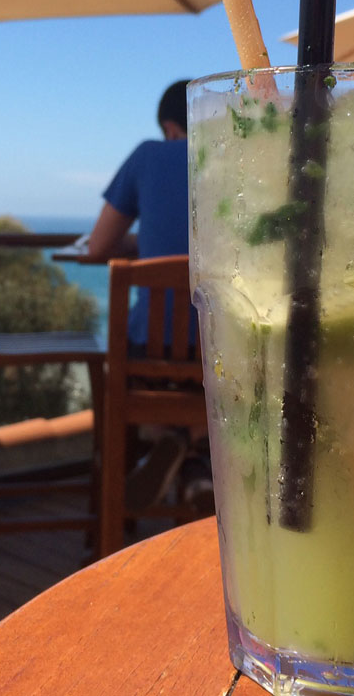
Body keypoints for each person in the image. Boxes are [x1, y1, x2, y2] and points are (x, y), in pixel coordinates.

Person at [86, 81, 209, 512]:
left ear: (171, 128)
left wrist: (148, 245)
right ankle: (197, 457)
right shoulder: (236, 156)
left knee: (148, 354)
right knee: (211, 377)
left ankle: (170, 440)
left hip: (149, 359)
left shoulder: (148, 156)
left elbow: (98, 247)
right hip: (220, 354)